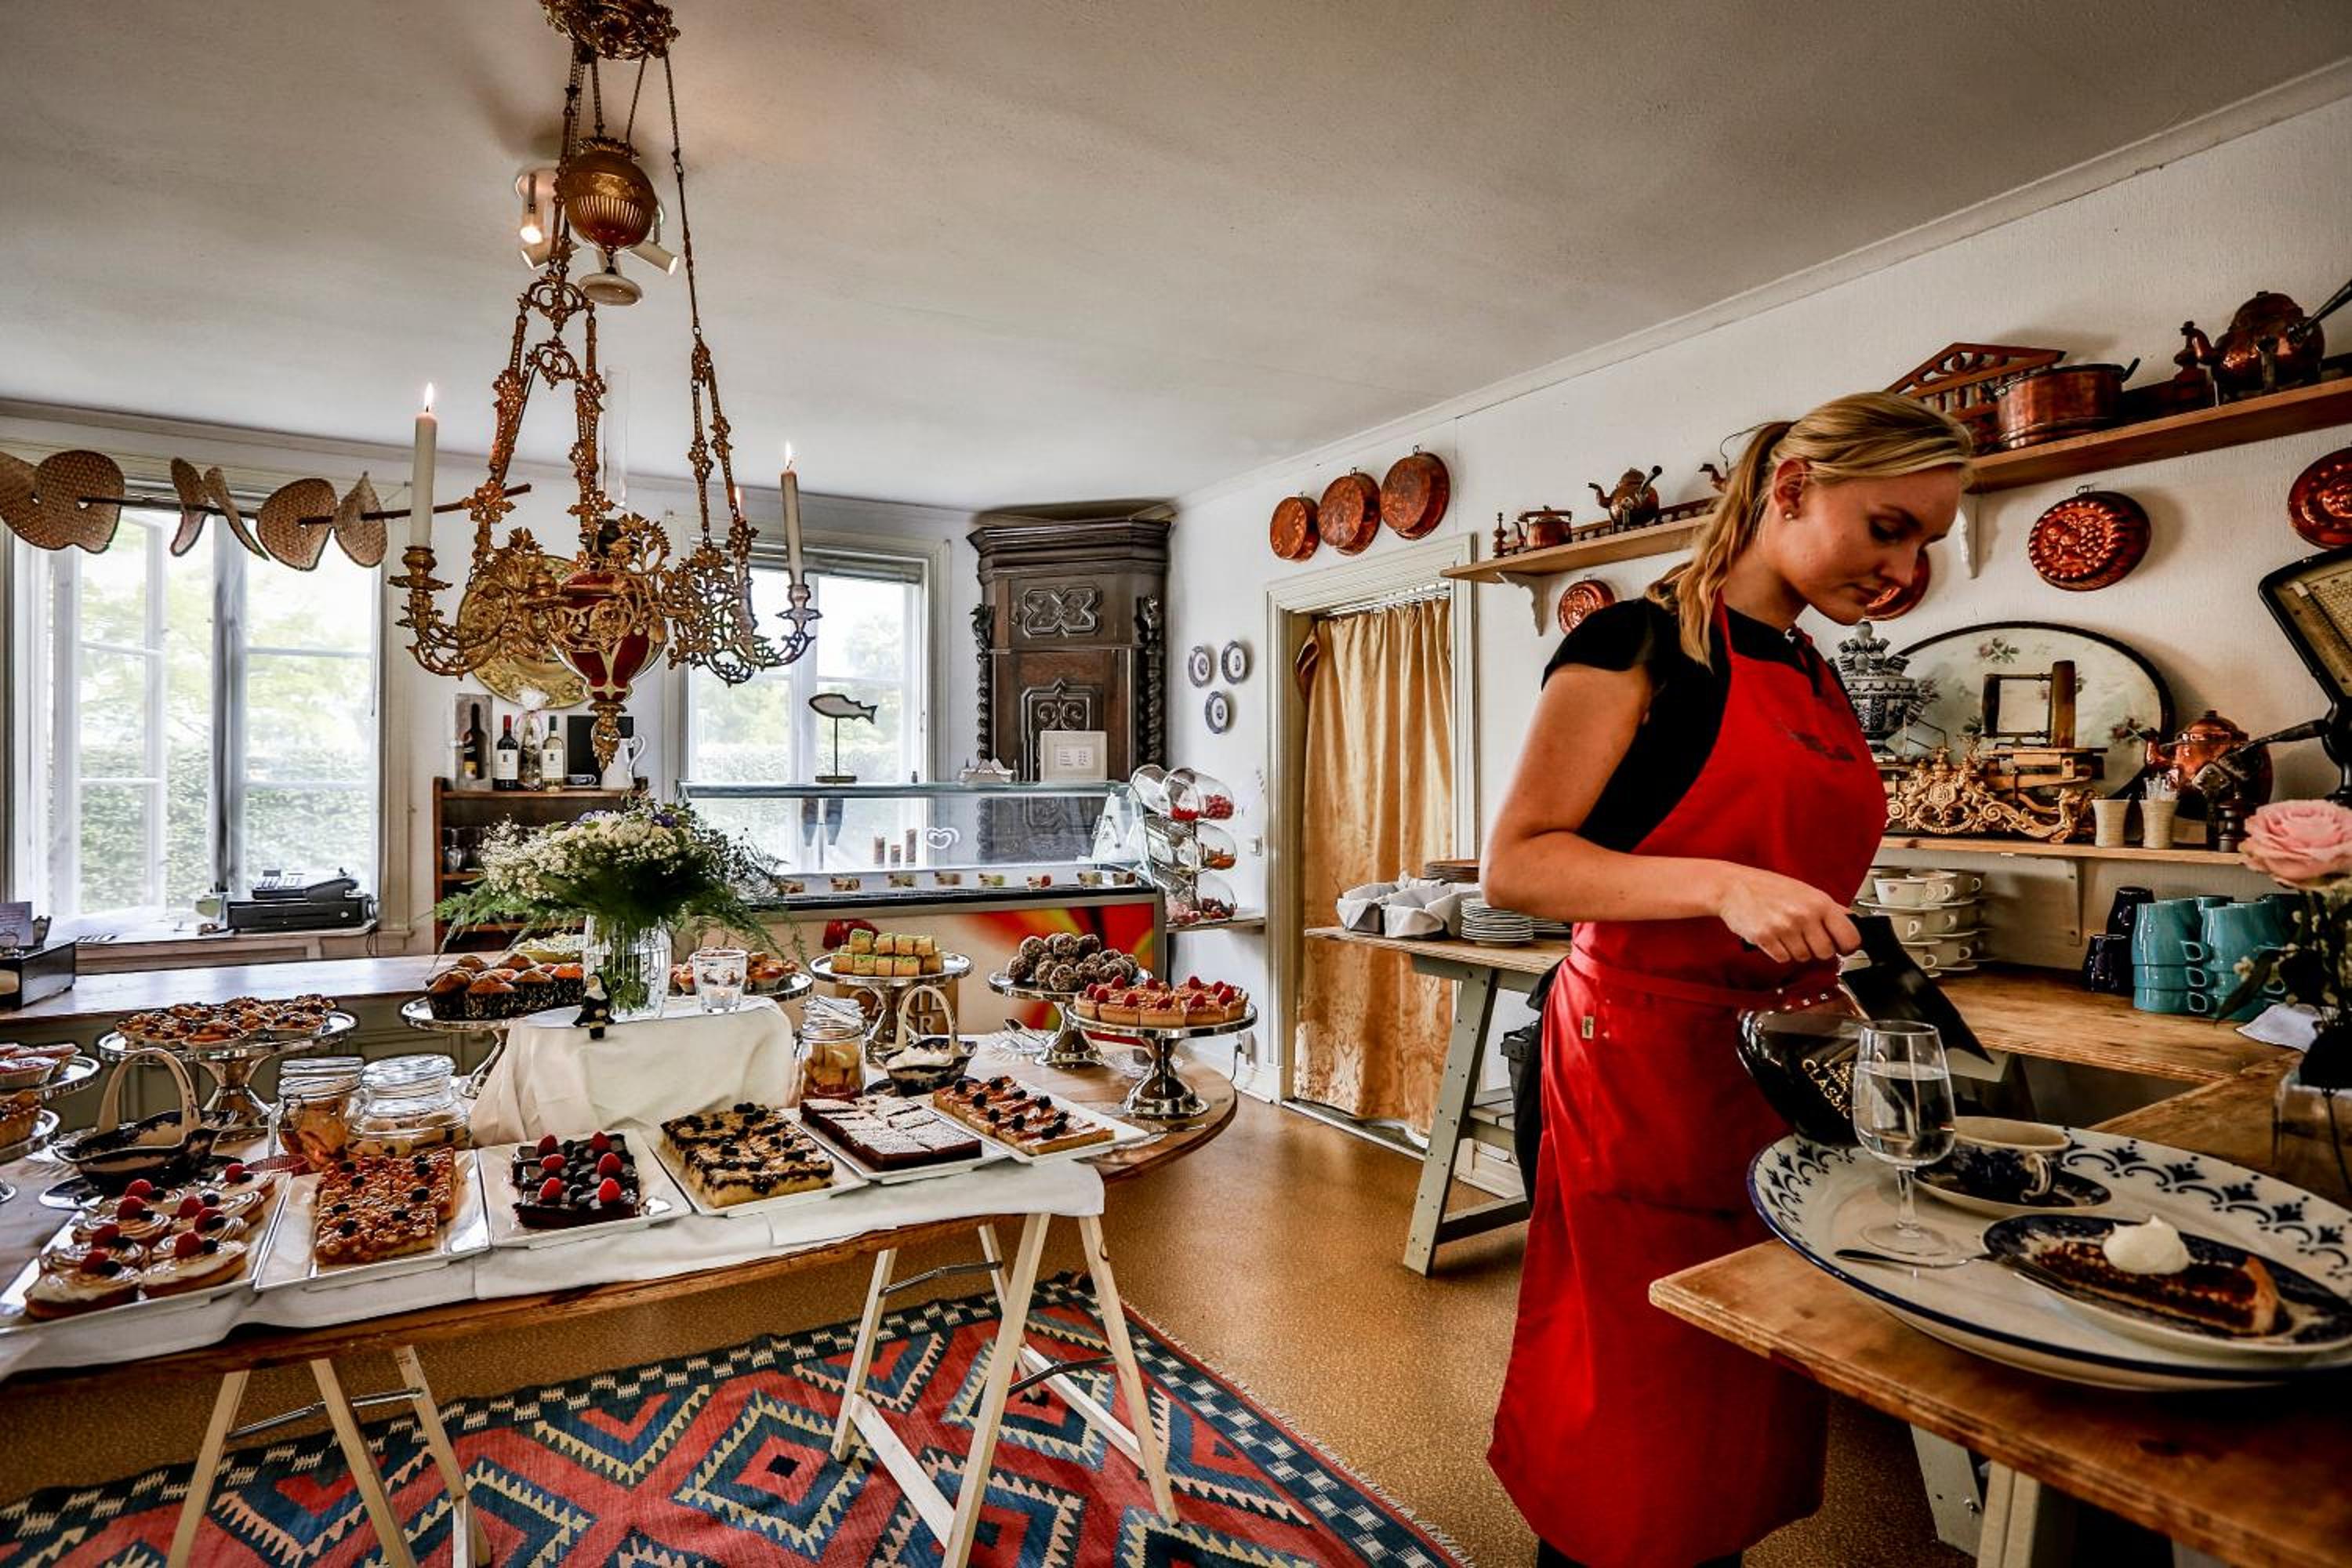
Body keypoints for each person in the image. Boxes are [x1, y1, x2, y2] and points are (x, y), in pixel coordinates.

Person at [1483, 391, 1970, 1568]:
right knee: (1640, 1394)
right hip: (1639, 1059)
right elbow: (1521, 863)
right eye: (1889, 528)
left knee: (1743, 1371)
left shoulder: (1813, 671)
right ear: (1791, 488)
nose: (1904, 571)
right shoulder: (1636, 644)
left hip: (1777, 1067)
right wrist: (1724, 886)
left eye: (1924, 546)